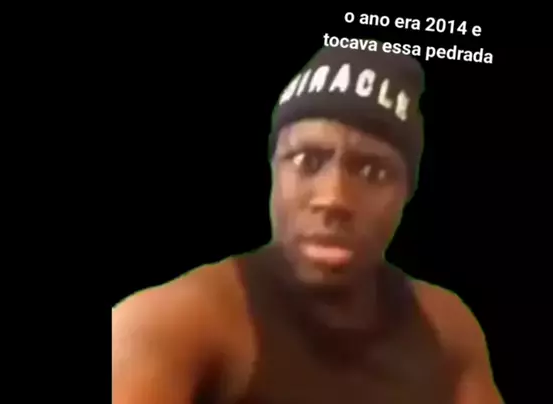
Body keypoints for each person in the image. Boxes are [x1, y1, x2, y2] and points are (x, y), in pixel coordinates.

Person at [112, 45, 504, 404]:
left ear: (407, 191)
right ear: (273, 170)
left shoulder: (446, 327)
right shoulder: (172, 322)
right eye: (306, 161)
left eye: (373, 171)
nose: (334, 198)